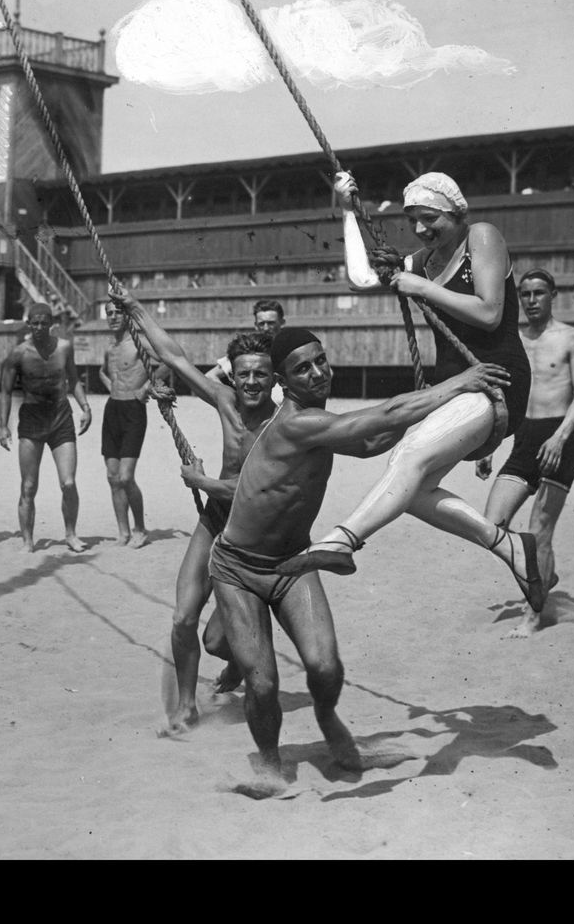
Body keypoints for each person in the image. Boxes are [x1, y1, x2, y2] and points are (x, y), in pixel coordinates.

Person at [207, 326, 511, 795]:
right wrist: (457, 384)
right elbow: (381, 415)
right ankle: (269, 767)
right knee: (262, 681)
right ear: (283, 383)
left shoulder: (315, 418)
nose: (317, 373)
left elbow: (370, 441)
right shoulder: (292, 422)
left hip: (290, 562)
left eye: (320, 361)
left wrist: (432, 423)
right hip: (238, 568)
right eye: (302, 368)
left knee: (325, 667)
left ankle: (331, 725)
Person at [279, 172, 545, 618]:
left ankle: (342, 538)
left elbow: (489, 310)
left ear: (456, 213)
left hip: (496, 381)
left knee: (408, 457)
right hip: (455, 389)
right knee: (411, 488)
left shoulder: (481, 237)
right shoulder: (423, 260)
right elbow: (361, 280)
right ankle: (510, 546)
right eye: (413, 221)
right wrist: (347, 211)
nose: (420, 230)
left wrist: (419, 285)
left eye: (429, 218)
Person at [114, 292, 280, 733]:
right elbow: (174, 356)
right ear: (233, 375)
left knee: (217, 641)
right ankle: (187, 705)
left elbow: (255, 490)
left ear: (273, 376)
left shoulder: (283, 424)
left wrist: (203, 482)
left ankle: (239, 663)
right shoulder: (225, 402)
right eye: (242, 374)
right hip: (215, 520)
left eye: (260, 375)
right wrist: (135, 309)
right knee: (184, 618)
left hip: (254, 537)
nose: (251, 384)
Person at [477, 268, 574, 636]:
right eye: (525, 294)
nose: (531, 300)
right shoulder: (514, 343)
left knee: (540, 531)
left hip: (560, 439)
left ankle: (532, 615)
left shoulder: (572, 337)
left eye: (539, 293)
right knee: (491, 524)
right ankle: (544, 574)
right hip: (523, 438)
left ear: (552, 294)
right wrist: (489, 441)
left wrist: (559, 437)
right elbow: (500, 396)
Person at [0, 302, 92, 552]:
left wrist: (85, 407)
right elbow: (5, 392)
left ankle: (71, 534)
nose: (39, 327)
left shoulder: (64, 348)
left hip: (61, 417)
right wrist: (3, 426)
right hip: (31, 419)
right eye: (34, 322)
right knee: (28, 485)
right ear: (29, 324)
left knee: (68, 483)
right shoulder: (18, 354)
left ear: (52, 324)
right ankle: (27, 540)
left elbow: (73, 381)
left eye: (44, 322)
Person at [98, 303, 163, 549]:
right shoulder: (110, 347)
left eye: (117, 313)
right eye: (109, 313)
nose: (113, 317)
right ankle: (123, 532)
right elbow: (103, 372)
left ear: (126, 316)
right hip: (112, 409)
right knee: (112, 476)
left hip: (134, 411)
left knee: (126, 477)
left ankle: (140, 528)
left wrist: (147, 387)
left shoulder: (140, 342)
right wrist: (110, 386)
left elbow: (168, 361)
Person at [209, 299, 286, 405]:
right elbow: (210, 376)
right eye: (261, 324)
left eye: (271, 323)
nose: (266, 328)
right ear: (255, 325)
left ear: (282, 323)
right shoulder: (247, 352)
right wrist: (232, 397)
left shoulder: (290, 349)